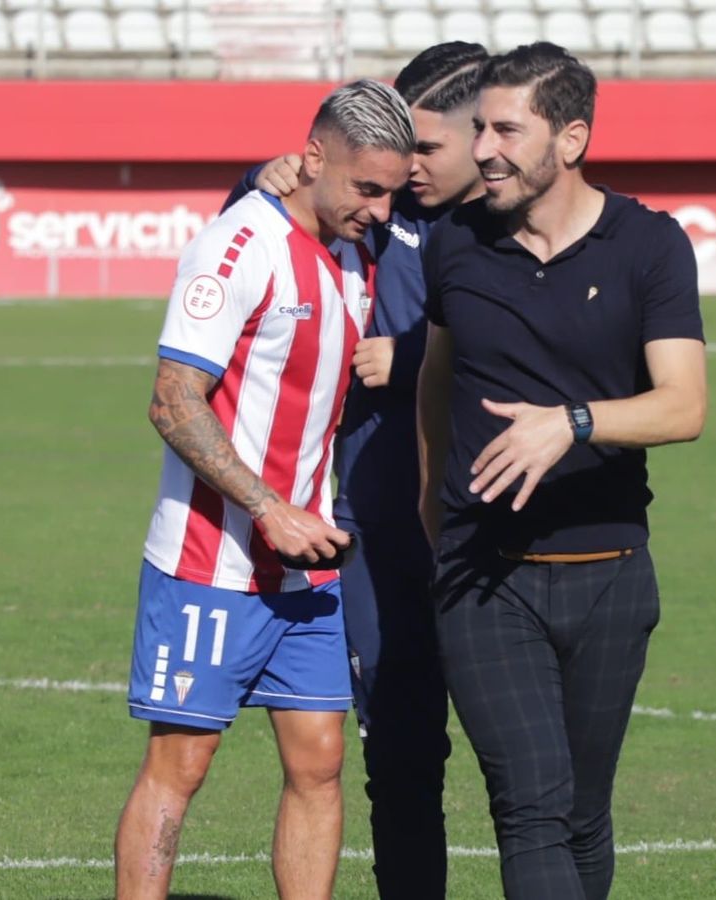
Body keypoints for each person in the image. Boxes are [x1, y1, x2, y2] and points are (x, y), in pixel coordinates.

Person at [416, 43, 708, 900]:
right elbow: (433, 396)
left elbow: (683, 407)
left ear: (571, 139)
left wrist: (572, 424)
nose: (483, 150)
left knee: (583, 815)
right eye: (478, 130)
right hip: (482, 581)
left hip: (612, 574)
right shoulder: (453, 246)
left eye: (507, 129)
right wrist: (437, 532)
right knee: (531, 809)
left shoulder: (650, 245)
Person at [114, 80, 415, 900]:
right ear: (313, 158)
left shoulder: (361, 250)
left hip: (307, 564)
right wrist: (265, 507)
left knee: (320, 763)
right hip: (211, 560)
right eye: (366, 188)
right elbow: (172, 399)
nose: (381, 210)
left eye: (390, 191)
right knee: (182, 765)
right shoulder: (239, 244)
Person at [223, 41, 491, 899]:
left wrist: (409, 356)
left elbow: (529, 353)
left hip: (485, 525)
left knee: (527, 766)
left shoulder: (498, 228)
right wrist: (259, 179)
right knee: (401, 751)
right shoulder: (380, 210)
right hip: (374, 523)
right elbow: (265, 222)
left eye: (425, 148)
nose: (405, 173)